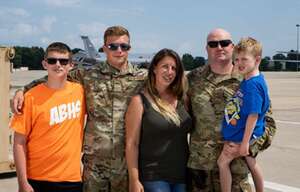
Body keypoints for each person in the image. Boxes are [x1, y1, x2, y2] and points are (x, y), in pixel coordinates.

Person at [12, 26, 147, 192]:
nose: (119, 50)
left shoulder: (142, 78)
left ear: (129, 48)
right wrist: (23, 90)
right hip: (95, 165)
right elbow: (55, 75)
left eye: (124, 46)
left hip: (127, 162)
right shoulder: (88, 75)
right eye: (113, 46)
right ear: (104, 48)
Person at [187, 29, 276, 192]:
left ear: (233, 47)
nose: (219, 47)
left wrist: (247, 146)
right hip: (200, 175)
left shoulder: (249, 79)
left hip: (237, 174)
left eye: (225, 43)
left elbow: (268, 123)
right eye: (213, 44)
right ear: (206, 49)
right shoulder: (192, 79)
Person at [11, 42, 86, 192]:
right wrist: (22, 182)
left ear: (71, 65)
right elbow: (19, 143)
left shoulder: (82, 92)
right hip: (37, 179)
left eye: (63, 61)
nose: (58, 65)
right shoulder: (30, 97)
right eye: (52, 61)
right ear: (45, 64)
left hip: (71, 179)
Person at [125, 48, 192, 192]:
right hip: (153, 176)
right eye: (165, 66)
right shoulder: (139, 101)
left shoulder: (182, 99)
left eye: (174, 68)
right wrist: (134, 180)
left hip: (181, 176)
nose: (170, 72)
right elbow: (132, 144)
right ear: (154, 68)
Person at [217, 37, 268, 192]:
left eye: (244, 59)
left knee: (222, 162)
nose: (239, 63)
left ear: (257, 59)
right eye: (237, 59)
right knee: (251, 162)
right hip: (244, 133)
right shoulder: (252, 79)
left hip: (242, 136)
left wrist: (244, 143)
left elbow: (253, 115)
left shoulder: (252, 85)